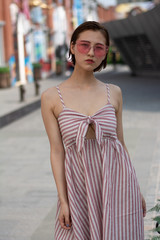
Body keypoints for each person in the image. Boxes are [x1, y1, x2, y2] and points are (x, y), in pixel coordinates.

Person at [41, 21, 146, 240]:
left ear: (105, 52)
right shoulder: (51, 97)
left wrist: (136, 190)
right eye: (84, 45)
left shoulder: (114, 92)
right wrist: (63, 200)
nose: (91, 52)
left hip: (118, 184)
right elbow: (57, 151)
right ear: (72, 47)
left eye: (99, 47)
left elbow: (120, 144)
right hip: (78, 185)